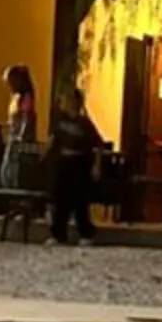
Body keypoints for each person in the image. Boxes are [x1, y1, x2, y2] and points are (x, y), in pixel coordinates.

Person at [48, 83, 104, 245]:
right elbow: (53, 140)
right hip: (63, 163)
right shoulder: (59, 121)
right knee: (61, 200)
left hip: (79, 164)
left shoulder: (85, 124)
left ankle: (86, 234)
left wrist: (96, 165)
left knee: (80, 200)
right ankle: (58, 234)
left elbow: (98, 144)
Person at [0, 63, 39, 190]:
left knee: (16, 174)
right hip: (12, 138)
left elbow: (28, 118)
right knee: (6, 173)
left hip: (21, 143)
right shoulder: (14, 98)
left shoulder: (26, 97)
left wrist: (21, 136)